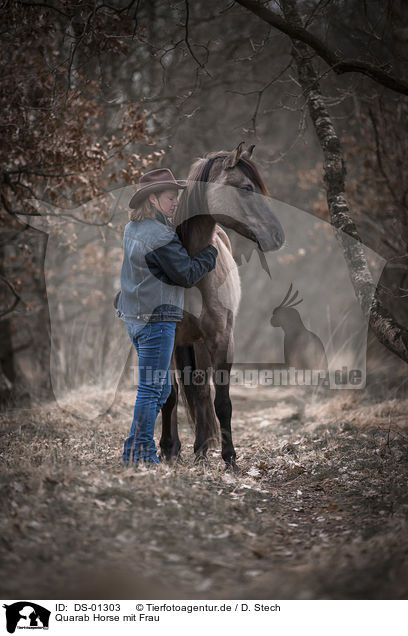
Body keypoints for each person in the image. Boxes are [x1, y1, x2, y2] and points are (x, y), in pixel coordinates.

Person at [115, 168, 218, 466]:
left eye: (176, 198)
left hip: (134, 320)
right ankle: (143, 457)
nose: (176, 203)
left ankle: (133, 449)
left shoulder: (132, 229)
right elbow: (185, 274)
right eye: (171, 198)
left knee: (161, 388)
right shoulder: (160, 235)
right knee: (151, 389)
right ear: (153, 199)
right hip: (157, 322)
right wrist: (210, 253)